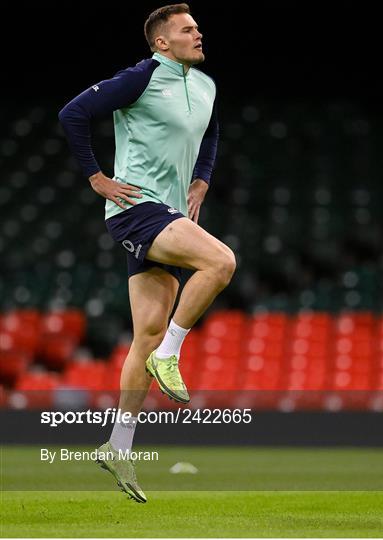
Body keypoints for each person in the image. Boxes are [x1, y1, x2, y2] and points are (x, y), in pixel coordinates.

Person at [58, 3, 236, 503]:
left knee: (145, 334)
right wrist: (97, 177)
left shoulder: (205, 86)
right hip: (138, 209)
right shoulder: (141, 77)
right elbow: (73, 112)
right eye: (187, 29)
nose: (198, 33)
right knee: (221, 262)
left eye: (198, 26)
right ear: (162, 42)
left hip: (171, 211)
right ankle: (171, 355)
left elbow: (211, 129)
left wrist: (203, 177)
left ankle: (118, 445)